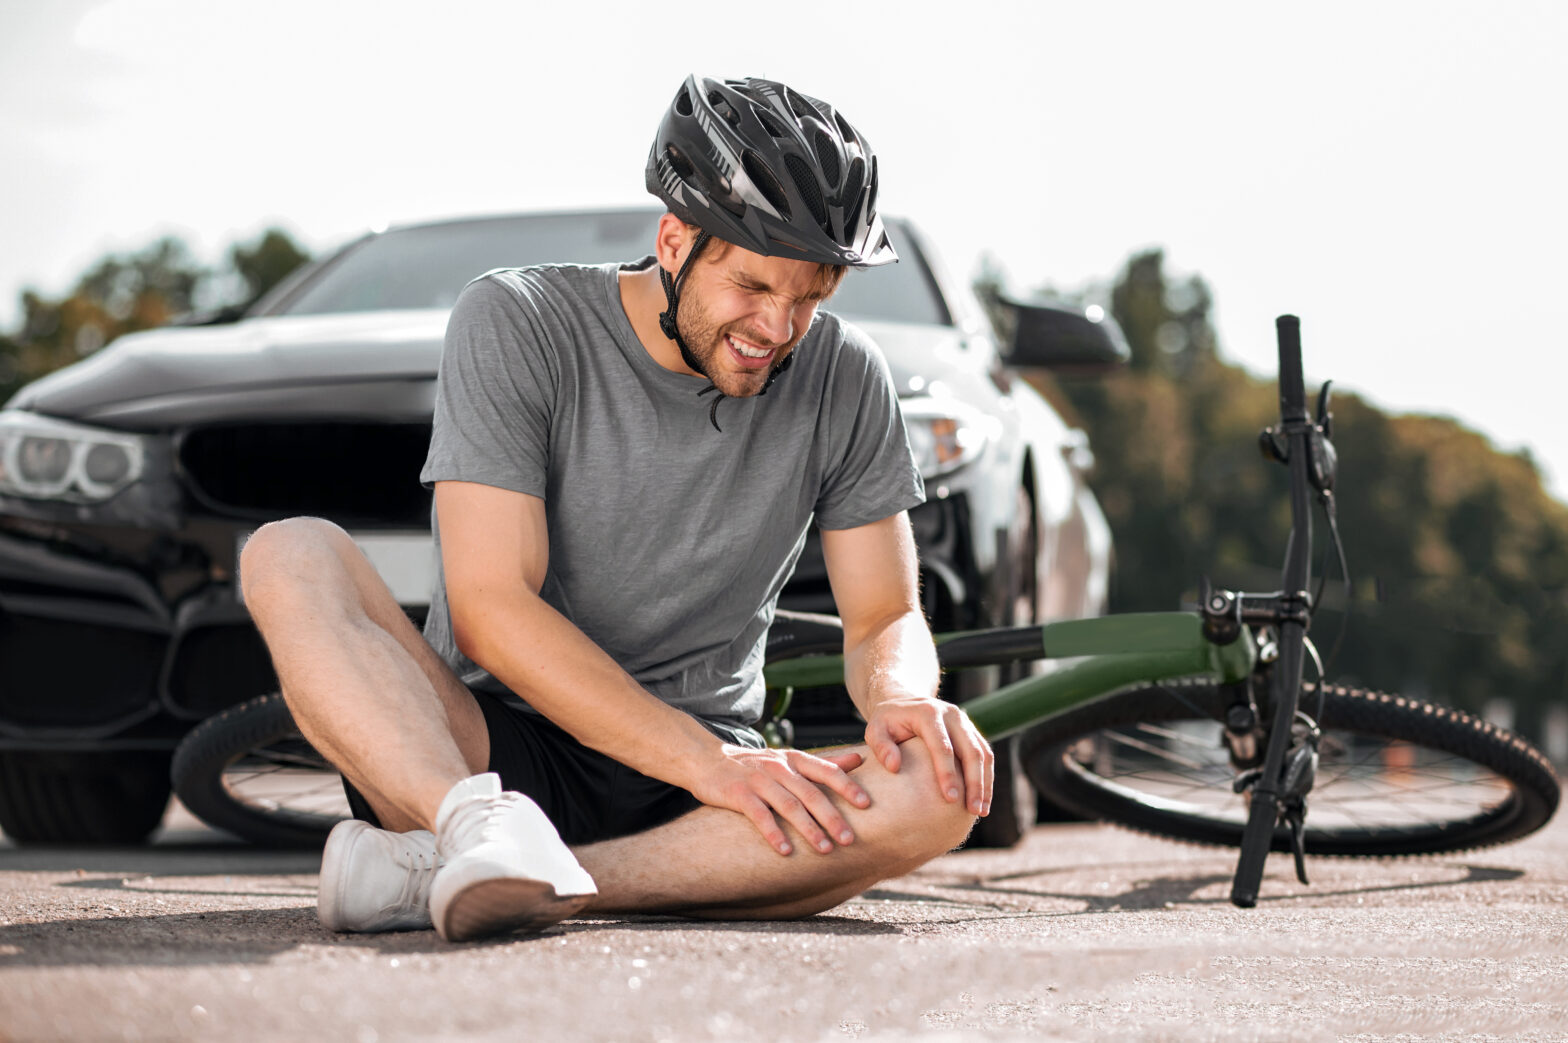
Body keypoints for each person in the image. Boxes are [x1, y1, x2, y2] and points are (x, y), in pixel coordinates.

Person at [239, 74, 994, 943]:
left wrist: (902, 698)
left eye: (810, 296)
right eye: (753, 286)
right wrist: (707, 765)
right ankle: (473, 834)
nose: (779, 327)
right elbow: (491, 611)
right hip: (495, 748)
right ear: (674, 240)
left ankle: (493, 878)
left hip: (699, 791)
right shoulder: (518, 320)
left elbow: (885, 612)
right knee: (289, 551)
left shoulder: (847, 375)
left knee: (939, 790)